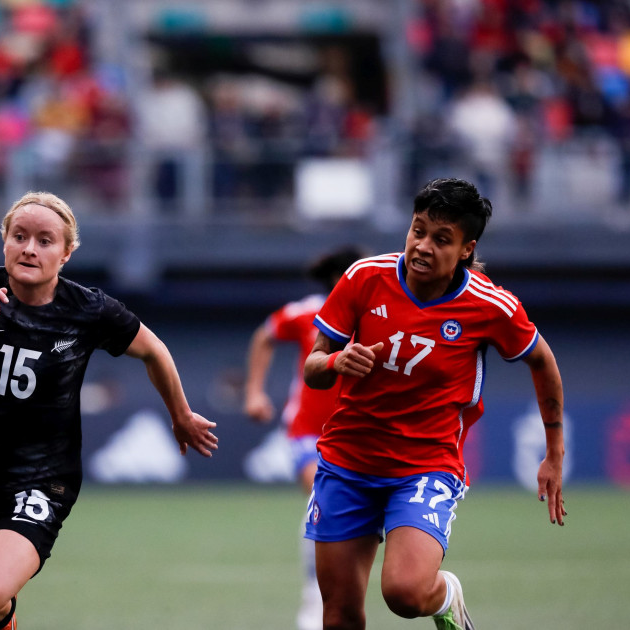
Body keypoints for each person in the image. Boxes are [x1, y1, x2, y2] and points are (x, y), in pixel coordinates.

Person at [0, 191, 218, 630]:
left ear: (66, 253)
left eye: (45, 240)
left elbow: (153, 350)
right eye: (19, 236)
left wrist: (181, 414)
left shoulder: (88, 309)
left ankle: (4, 620)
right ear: (4, 239)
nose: (29, 248)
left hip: (39, 480)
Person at [302, 178, 566, 630]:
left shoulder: (490, 306)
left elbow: (541, 360)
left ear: (467, 248)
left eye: (441, 239)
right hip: (347, 460)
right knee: (340, 616)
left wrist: (554, 451)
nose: (422, 246)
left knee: (404, 593)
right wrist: (336, 362)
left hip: (424, 466)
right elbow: (313, 365)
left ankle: (445, 598)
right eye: (417, 230)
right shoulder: (364, 277)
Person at [243, 245, 366, 630]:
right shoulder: (306, 312)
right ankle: (316, 597)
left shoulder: (377, 315)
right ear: (338, 279)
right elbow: (264, 336)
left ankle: (343, 594)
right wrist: (254, 391)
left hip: (359, 433)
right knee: (323, 499)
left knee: (355, 519)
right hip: (308, 432)